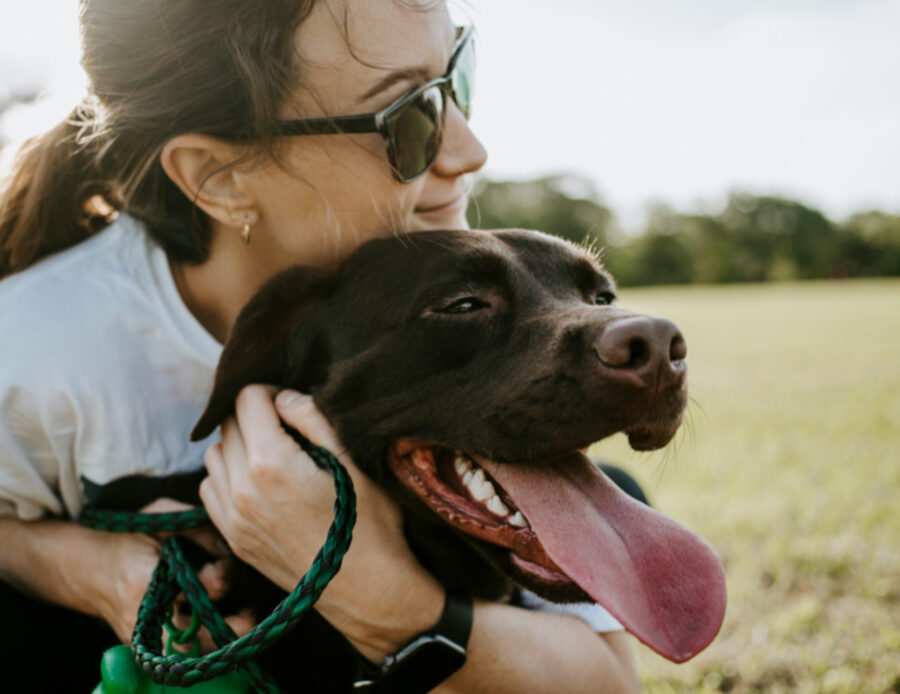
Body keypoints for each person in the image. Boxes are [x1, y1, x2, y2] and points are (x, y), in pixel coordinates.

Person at [0, 1, 642, 691]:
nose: (469, 149)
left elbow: (607, 683)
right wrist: (93, 570)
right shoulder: (33, 347)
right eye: (409, 118)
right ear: (220, 178)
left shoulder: (450, 265)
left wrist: (376, 591)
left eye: (458, 75)